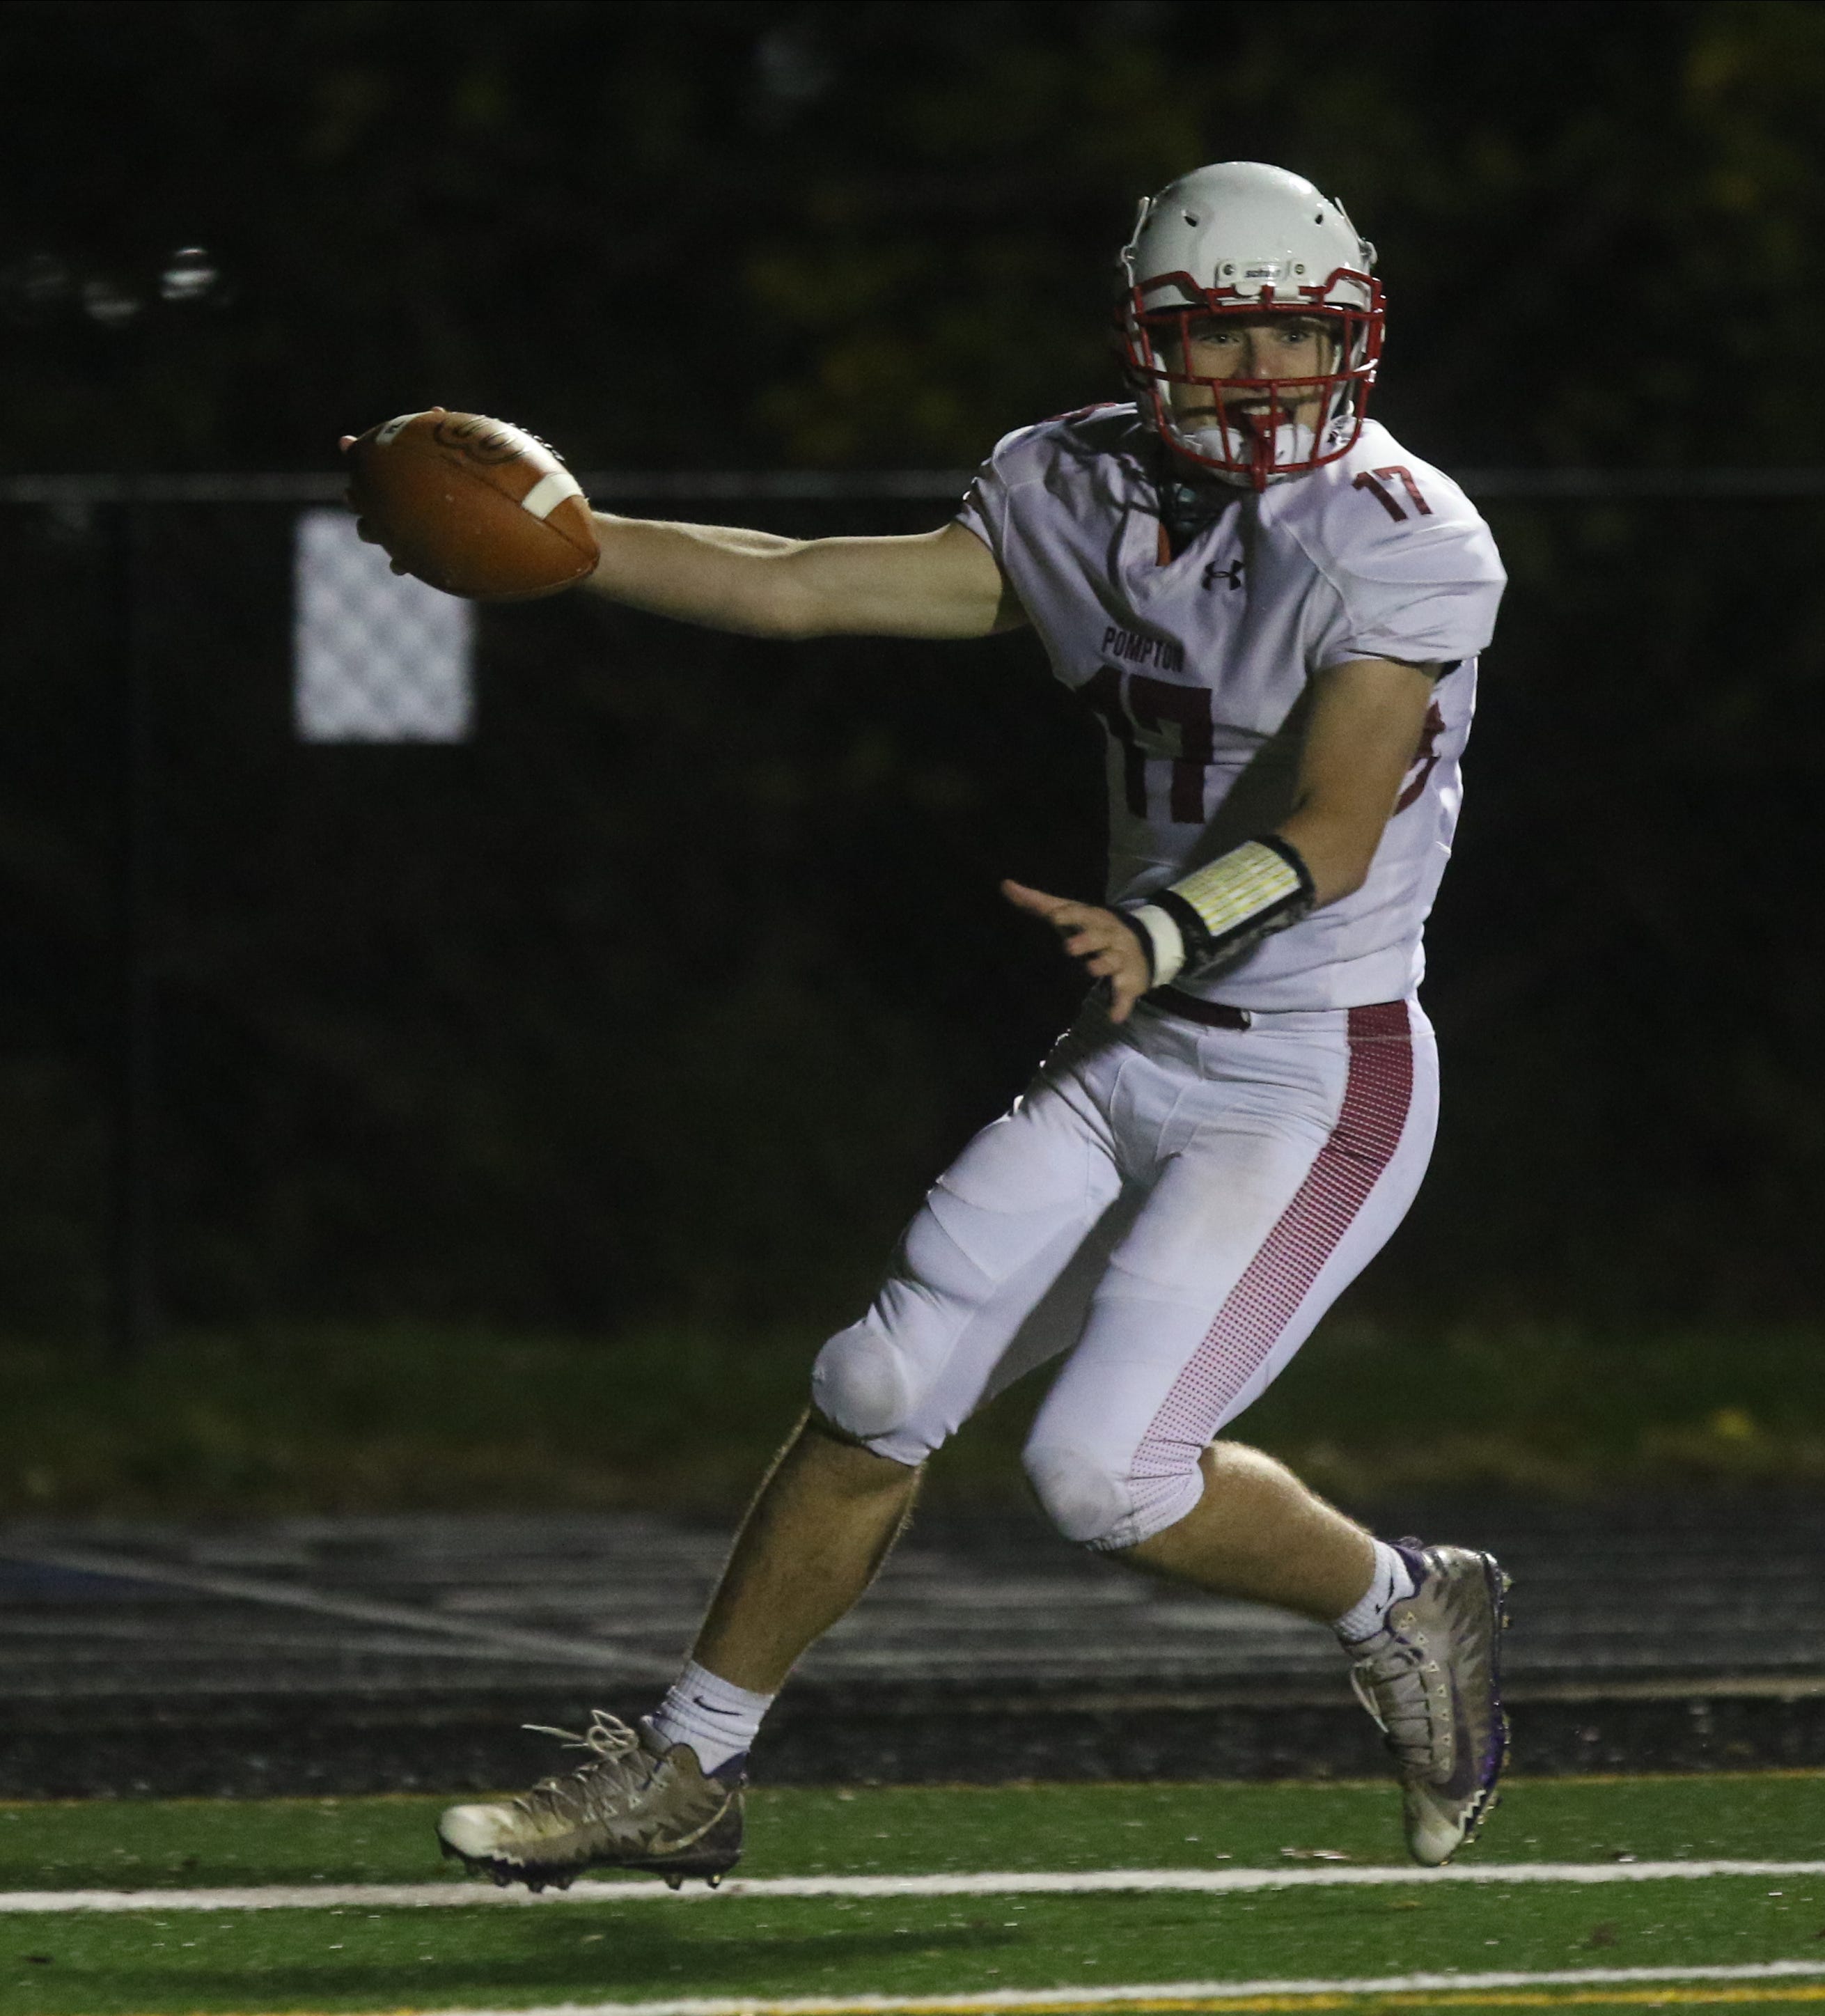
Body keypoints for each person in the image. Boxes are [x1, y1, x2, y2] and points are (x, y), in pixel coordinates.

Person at [416, 160, 1510, 1886]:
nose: (1258, 371)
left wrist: (1164, 920)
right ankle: (687, 1772)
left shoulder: (1411, 538)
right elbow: (797, 585)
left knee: (1106, 1475)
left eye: (1293, 332)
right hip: (1133, 1046)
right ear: (1150, 343)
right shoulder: (1063, 480)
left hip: (1315, 1062)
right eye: (1216, 338)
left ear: (1353, 332)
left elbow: (1338, 827)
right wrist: (578, 548)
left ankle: (1404, 1600)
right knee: (880, 1382)